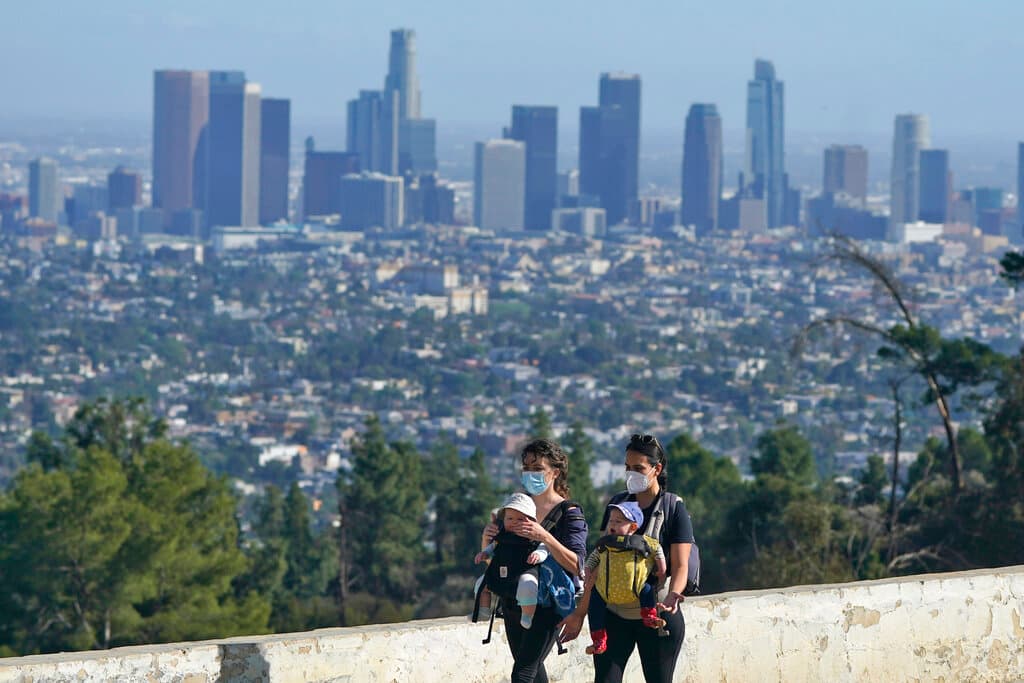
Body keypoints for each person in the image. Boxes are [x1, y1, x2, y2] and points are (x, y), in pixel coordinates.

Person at [557, 433, 695, 683]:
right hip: (614, 615)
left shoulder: (673, 508)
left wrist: (675, 593)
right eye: (628, 468)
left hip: (656, 614)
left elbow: (681, 563)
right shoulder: (617, 504)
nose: (631, 473)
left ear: (657, 469)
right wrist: (580, 613)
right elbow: (599, 565)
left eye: (639, 468)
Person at [481, 438, 589, 683]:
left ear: (555, 473)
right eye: (526, 467)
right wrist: (486, 542)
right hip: (512, 602)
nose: (530, 473)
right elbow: (497, 563)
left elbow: (577, 565)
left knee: (523, 674)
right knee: (532, 671)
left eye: (537, 468)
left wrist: (544, 537)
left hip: (548, 605)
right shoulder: (512, 509)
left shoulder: (569, 514)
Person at [583, 501, 667, 655]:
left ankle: (649, 617)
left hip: (635, 589)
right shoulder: (606, 543)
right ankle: (599, 640)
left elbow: (657, 549)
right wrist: (587, 570)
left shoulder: (644, 542)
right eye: (611, 520)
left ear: (633, 527)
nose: (612, 524)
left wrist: (662, 568)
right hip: (605, 593)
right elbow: (594, 557)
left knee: (647, 589)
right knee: (594, 604)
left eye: (618, 521)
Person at [474, 492, 550, 629]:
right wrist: (484, 553)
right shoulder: (502, 536)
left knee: (528, 585)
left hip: (524, 571)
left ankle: (527, 616)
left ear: (532, 521)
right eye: (510, 518)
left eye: (520, 519)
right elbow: (492, 547)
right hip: (502, 573)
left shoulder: (534, 537)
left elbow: (544, 548)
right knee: (481, 584)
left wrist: (538, 555)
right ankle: (483, 611)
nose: (514, 522)